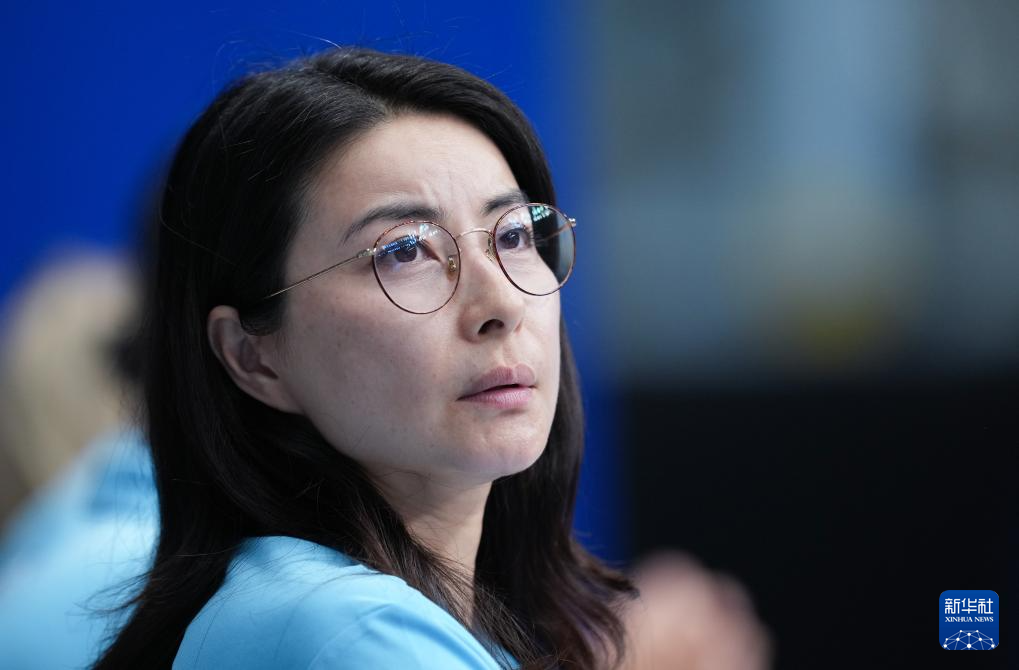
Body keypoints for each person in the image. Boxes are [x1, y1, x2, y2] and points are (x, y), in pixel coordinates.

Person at [93, 47, 637, 669]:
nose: (503, 304)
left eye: (513, 234)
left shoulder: (347, 611)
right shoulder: (350, 632)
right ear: (253, 357)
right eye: (404, 252)